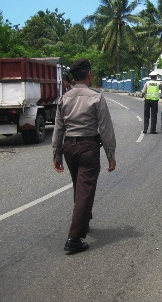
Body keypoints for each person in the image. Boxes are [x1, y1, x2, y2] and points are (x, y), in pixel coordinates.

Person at [52, 58, 116, 253]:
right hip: (89, 147)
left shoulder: (64, 98)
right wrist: (110, 155)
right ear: (89, 74)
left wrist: (57, 154)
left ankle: (83, 223)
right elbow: (105, 129)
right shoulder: (96, 98)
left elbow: (58, 128)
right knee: (85, 190)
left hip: (69, 146)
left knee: (79, 187)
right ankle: (74, 238)